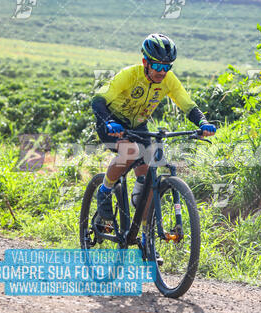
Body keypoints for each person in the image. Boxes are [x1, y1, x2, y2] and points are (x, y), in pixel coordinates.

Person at [91, 33, 216, 229]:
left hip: (139, 126)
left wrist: (203, 122)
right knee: (130, 151)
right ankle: (105, 190)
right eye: (157, 66)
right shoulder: (129, 75)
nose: (162, 71)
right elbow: (98, 100)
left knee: (149, 172)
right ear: (145, 62)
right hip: (111, 121)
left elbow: (188, 105)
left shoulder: (169, 80)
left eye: (167, 67)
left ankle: (145, 236)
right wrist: (108, 122)